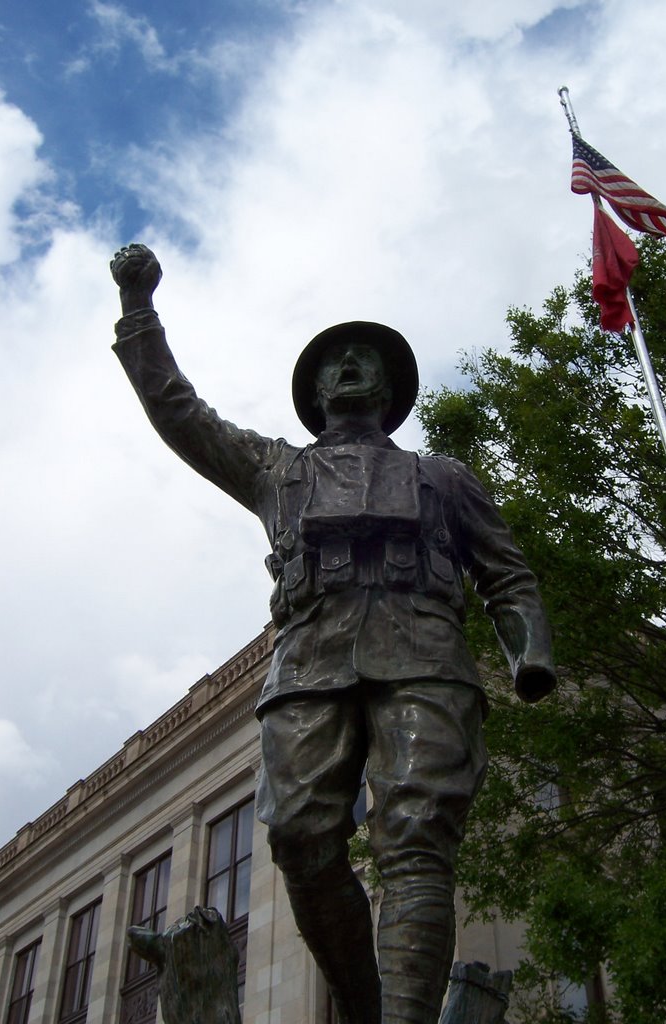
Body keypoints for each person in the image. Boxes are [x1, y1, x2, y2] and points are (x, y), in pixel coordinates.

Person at [110, 243, 556, 1024]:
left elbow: (508, 574)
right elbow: (179, 413)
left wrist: (530, 655)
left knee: (417, 841)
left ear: (390, 389)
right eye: (335, 361)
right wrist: (139, 310)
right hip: (309, 663)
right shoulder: (274, 469)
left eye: (365, 359)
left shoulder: (444, 477)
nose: (350, 366)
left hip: (426, 660)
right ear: (315, 391)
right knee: (299, 839)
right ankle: (363, 1002)